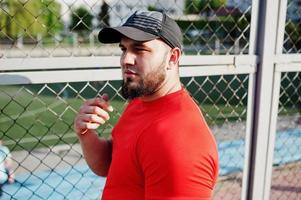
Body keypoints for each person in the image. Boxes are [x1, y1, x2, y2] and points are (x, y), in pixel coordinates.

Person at [74, 10, 219, 200]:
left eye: (140, 49)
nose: (126, 59)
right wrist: (86, 134)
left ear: (172, 58)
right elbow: (112, 164)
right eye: (124, 49)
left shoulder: (179, 140)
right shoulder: (142, 101)